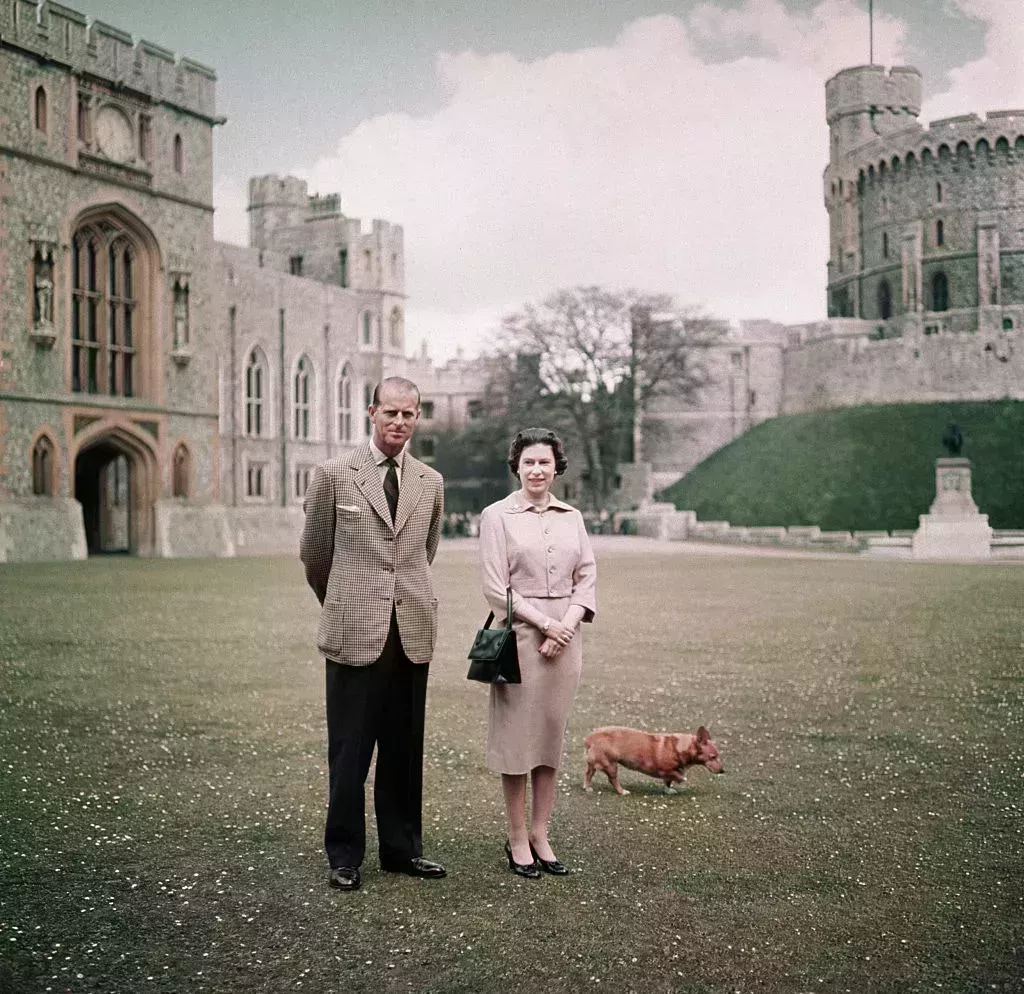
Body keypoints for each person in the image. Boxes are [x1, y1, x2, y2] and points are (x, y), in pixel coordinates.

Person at [300, 376, 446, 892]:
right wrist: (345, 601)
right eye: (391, 413)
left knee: (405, 748)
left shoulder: (430, 481)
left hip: (411, 629)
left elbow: (424, 552)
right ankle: (344, 854)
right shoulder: (334, 475)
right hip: (353, 630)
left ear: (417, 417)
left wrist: (399, 598)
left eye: (409, 414)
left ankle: (402, 850)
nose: (400, 423)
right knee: (350, 750)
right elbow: (315, 556)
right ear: (371, 412)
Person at [477, 427, 597, 878]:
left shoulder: (573, 517)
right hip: (518, 641)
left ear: (556, 467)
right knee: (516, 743)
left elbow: (586, 576)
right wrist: (545, 624)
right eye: (528, 462)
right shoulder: (496, 516)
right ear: (517, 466)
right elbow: (495, 587)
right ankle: (515, 836)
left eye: (544, 462)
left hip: (565, 642)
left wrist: (565, 625)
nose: (536, 470)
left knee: (549, 738)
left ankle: (541, 833)